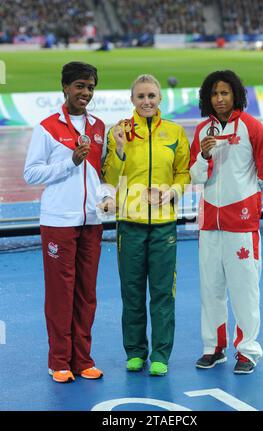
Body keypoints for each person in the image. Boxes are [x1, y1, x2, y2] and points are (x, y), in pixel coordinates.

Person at [24, 62, 114, 383]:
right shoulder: (47, 127)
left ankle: (83, 359)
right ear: (64, 87)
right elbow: (31, 173)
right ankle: (58, 361)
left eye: (90, 87)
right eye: (79, 86)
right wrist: (69, 162)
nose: (85, 93)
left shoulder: (100, 126)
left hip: (92, 220)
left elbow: (101, 174)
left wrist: (106, 196)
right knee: (61, 293)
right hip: (58, 221)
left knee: (86, 293)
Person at [190, 70, 263, 374]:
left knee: (245, 289)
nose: (219, 99)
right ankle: (213, 348)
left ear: (235, 95)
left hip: (241, 225)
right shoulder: (203, 131)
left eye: (225, 93)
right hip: (209, 225)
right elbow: (195, 176)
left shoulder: (253, 128)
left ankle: (247, 350)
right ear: (207, 98)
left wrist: (246, 199)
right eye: (214, 94)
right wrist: (203, 156)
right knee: (210, 288)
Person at [102, 74, 190, 376]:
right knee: (132, 291)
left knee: (164, 292)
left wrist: (172, 192)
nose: (147, 101)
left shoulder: (175, 132)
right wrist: (121, 149)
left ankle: (161, 355)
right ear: (132, 100)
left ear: (160, 99)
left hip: (164, 225)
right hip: (129, 223)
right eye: (141, 97)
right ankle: (135, 351)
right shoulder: (119, 132)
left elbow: (183, 174)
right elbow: (110, 179)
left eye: (151, 96)